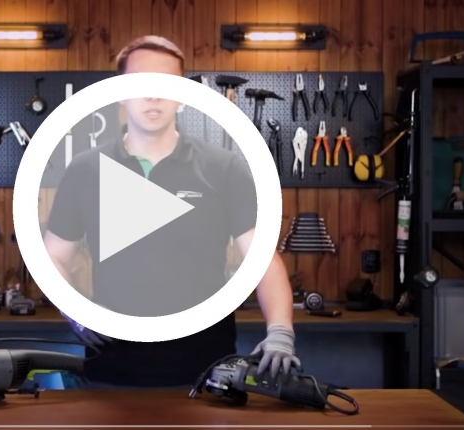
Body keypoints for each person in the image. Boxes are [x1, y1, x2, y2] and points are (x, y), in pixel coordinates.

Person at [43, 35, 298, 388]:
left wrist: (281, 331)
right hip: (112, 371)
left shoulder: (223, 168)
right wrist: (74, 309)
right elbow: (54, 256)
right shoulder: (85, 169)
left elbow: (262, 260)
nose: (153, 95)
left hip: (207, 373)